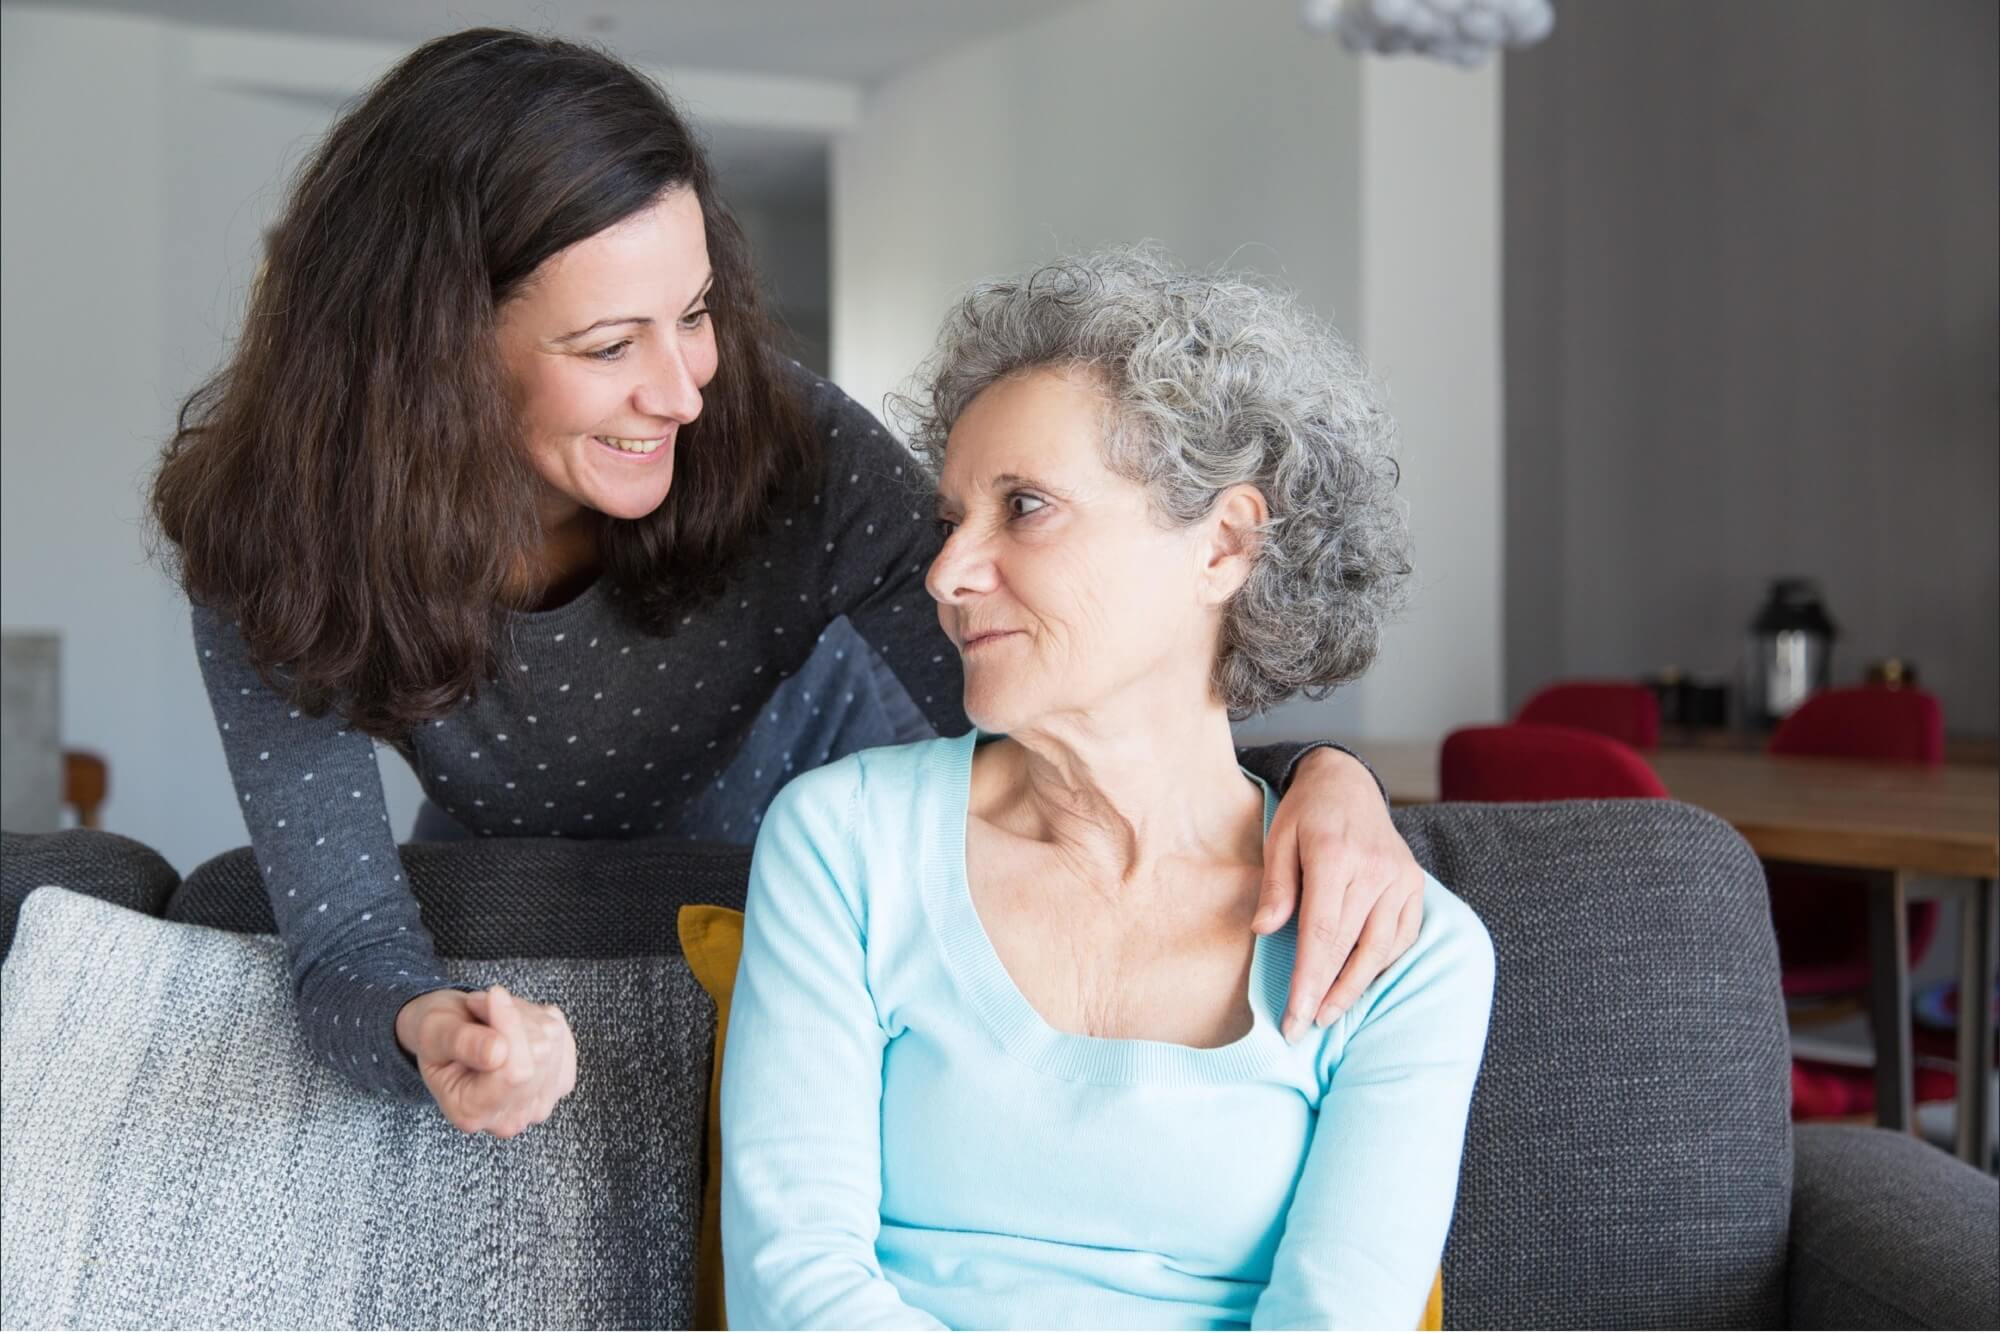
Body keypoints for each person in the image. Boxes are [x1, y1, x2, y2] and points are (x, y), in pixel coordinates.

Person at [150, 29, 1427, 1142]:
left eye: (695, 310)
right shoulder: (278, 543)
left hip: (807, 889)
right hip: (517, 893)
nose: (682, 388)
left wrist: (1318, 777)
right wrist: (432, 1029)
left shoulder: (786, 447)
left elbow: (1087, 699)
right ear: (424, 353)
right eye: (609, 344)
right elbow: (343, 949)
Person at [721, 248, 1496, 1329]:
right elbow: (793, 1286)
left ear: (1222, 545)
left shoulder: (1402, 952)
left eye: (1024, 506)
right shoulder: (842, 840)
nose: (946, 573)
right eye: (952, 520)